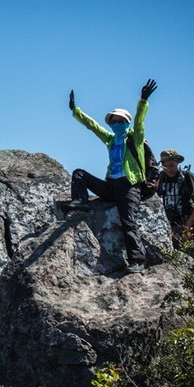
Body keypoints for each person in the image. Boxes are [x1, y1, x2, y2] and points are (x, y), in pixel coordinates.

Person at [67, 78, 158, 274]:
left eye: (120, 121)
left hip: (129, 186)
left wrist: (143, 100)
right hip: (111, 186)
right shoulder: (110, 139)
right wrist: (76, 111)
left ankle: (137, 260)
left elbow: (140, 121)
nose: (116, 124)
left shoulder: (135, 138)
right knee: (79, 174)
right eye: (114, 121)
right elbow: (93, 126)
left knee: (128, 221)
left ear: (126, 122)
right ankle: (80, 201)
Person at [156, 149, 194, 248]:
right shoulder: (161, 177)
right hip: (168, 225)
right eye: (165, 166)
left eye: (171, 166)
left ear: (177, 163)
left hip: (186, 222)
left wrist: (189, 225)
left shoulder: (186, 176)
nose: (169, 169)